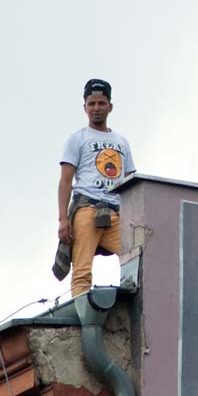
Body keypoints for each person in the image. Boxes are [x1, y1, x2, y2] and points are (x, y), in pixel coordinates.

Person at [53, 78, 136, 298]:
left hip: (117, 212)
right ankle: (82, 315)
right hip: (87, 208)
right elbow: (65, 181)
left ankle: (132, 303)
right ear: (84, 107)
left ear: (110, 106)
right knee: (82, 269)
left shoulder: (121, 141)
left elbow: (131, 182)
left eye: (101, 103)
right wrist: (63, 219)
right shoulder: (77, 139)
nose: (96, 108)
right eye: (92, 104)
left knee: (137, 256)